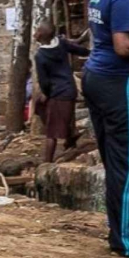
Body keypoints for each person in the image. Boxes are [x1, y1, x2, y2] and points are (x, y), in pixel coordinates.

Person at [80, 0, 129, 258]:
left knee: (116, 162)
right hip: (122, 83)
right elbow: (125, 46)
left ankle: (119, 233)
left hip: (97, 78)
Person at [32, 19, 87, 164]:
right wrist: (91, 52)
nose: (35, 33)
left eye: (37, 30)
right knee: (43, 108)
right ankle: (71, 137)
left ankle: (46, 164)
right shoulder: (61, 43)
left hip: (58, 93)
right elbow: (78, 49)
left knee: (51, 133)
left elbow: (44, 81)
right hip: (69, 89)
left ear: (42, 35)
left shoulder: (41, 56)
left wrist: (47, 93)